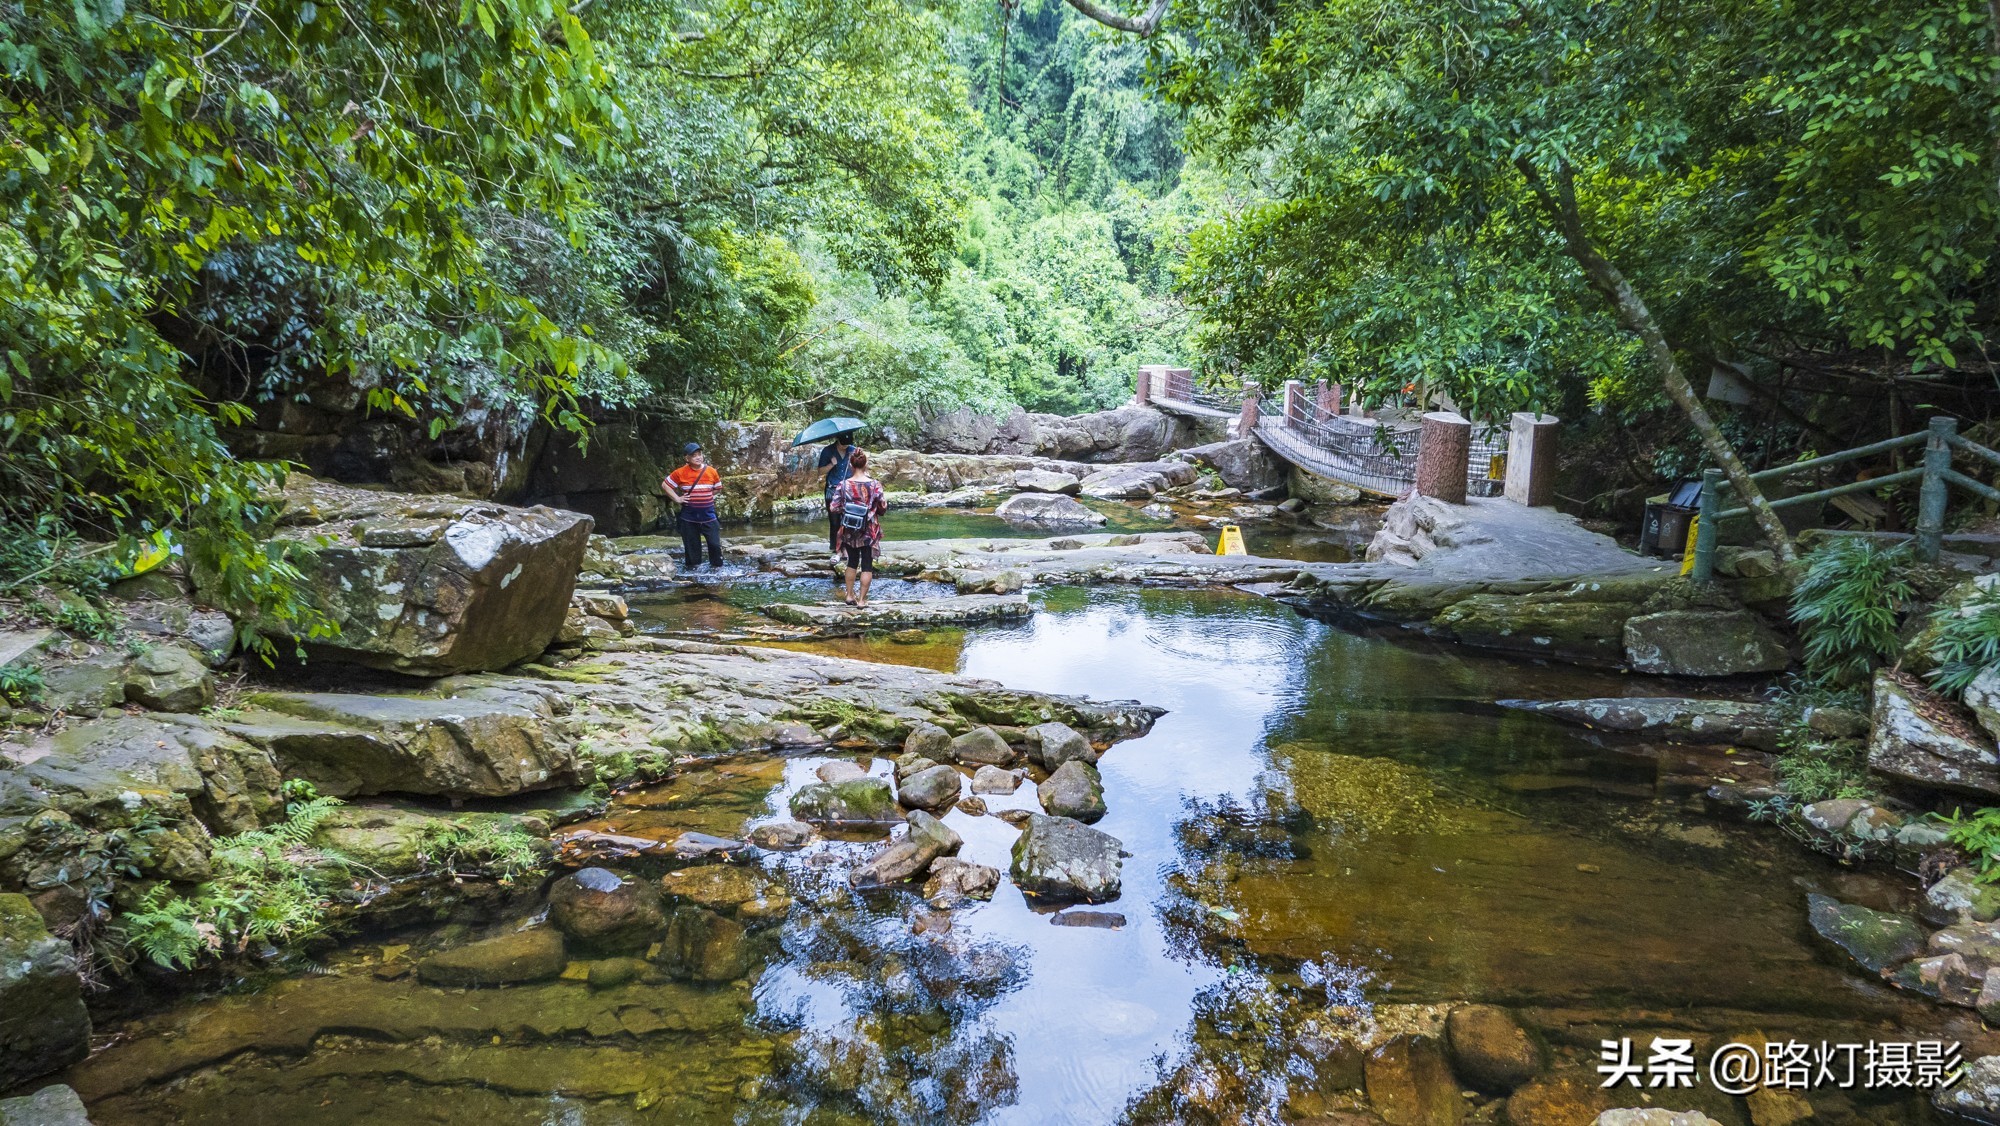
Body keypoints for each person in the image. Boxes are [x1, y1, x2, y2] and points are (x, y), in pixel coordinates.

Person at [830, 449, 887, 607]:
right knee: (867, 565)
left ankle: (849, 595)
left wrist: (847, 510)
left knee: (852, 562)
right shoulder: (875, 484)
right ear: (865, 464)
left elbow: (833, 507)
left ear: (851, 464)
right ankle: (861, 600)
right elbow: (883, 507)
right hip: (868, 529)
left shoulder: (843, 484)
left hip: (850, 528)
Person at [662, 441, 724, 572]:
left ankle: (717, 572)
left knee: (715, 545)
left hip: (709, 516)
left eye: (699, 454)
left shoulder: (711, 471)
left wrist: (706, 496)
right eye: (694, 455)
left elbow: (718, 488)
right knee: (692, 550)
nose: (698, 457)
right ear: (687, 458)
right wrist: (678, 498)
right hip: (689, 518)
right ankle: (694, 576)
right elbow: (665, 485)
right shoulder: (680, 473)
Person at [818, 432, 857, 556]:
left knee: (848, 519)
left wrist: (854, 462)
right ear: (837, 440)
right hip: (832, 489)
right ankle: (836, 546)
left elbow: (861, 468)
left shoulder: (853, 450)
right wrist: (831, 464)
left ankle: (847, 546)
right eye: (842, 445)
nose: (844, 447)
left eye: (847, 445)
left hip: (849, 489)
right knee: (834, 520)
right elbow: (820, 471)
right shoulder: (828, 451)